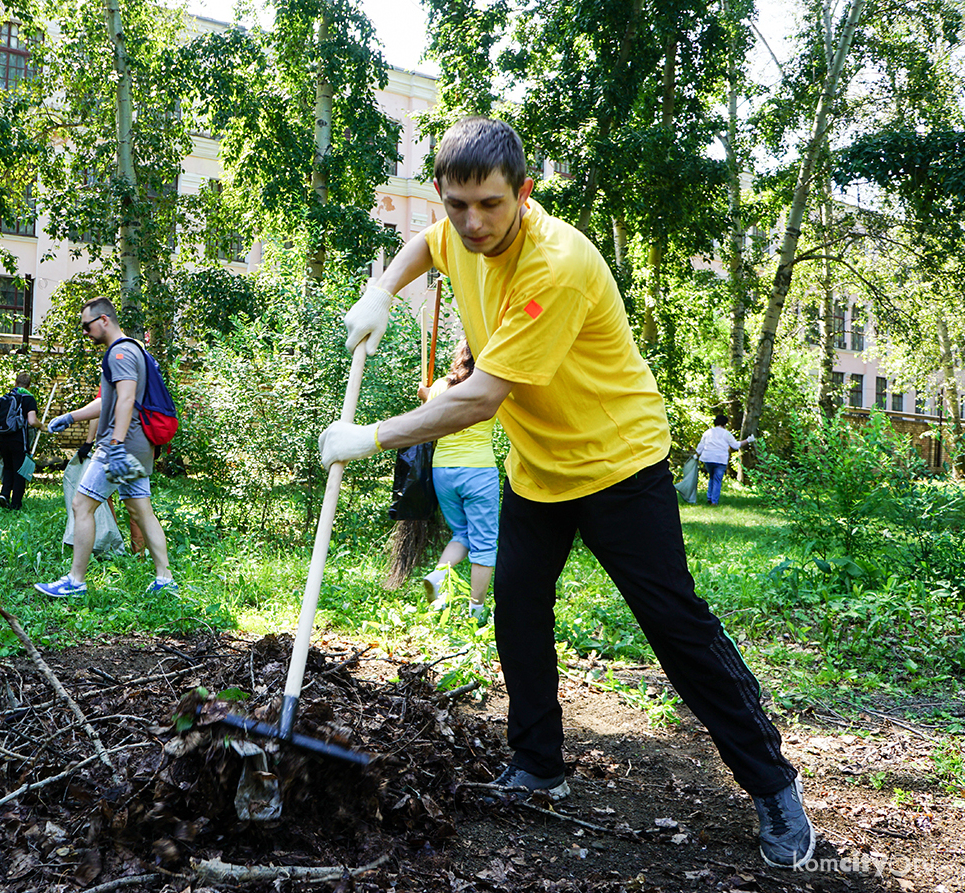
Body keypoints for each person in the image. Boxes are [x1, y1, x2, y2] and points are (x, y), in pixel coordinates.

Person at [318, 116, 814, 869]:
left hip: (618, 464)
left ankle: (773, 784)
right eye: (456, 204)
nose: (471, 222)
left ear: (523, 193)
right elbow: (427, 244)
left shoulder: (554, 263)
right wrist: (382, 289)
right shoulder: (459, 232)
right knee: (517, 609)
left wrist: (376, 435)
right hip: (540, 470)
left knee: (674, 625)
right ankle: (539, 764)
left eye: (488, 204)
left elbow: (480, 398)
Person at [33, 298, 173, 598]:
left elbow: (125, 399)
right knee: (141, 510)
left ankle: (75, 581)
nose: (85, 332)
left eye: (87, 326)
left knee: (81, 505)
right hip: (139, 445)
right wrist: (71, 416)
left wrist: (115, 444)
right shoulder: (134, 348)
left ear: (104, 320)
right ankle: (165, 578)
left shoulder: (119, 352)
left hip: (118, 445)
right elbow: (109, 401)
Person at [418, 342, 499, 625]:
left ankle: (438, 575)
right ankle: (477, 612)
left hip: (443, 470)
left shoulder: (441, 385)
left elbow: (428, 415)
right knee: (485, 543)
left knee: (462, 533)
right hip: (477, 470)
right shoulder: (489, 383)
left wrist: (426, 395)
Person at [0, 371, 43, 510]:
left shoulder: (4, 398)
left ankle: (4, 494)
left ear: (15, 383)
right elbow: (32, 421)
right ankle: (16, 504)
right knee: (20, 471)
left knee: (8, 467)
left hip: (3, 439)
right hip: (18, 440)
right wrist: (42, 425)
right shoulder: (28, 399)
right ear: (28, 386)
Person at [695, 413, 755, 506]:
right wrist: (748, 440)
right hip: (720, 459)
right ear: (724, 424)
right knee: (717, 480)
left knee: (712, 477)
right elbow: (736, 445)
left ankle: (709, 498)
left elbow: (701, 446)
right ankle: (714, 501)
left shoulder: (708, 432)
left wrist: (697, 454)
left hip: (708, 458)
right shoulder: (726, 434)